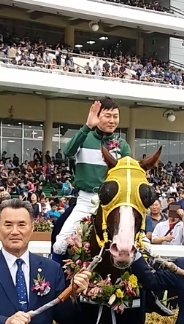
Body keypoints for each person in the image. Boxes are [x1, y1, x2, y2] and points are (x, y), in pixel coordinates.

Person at [51, 97, 131, 261]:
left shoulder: (122, 145)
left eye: (115, 116)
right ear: (97, 116)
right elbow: (67, 152)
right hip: (86, 201)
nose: (112, 120)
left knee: (138, 244)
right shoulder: (84, 137)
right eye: (107, 116)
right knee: (59, 244)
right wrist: (87, 126)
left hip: (112, 202)